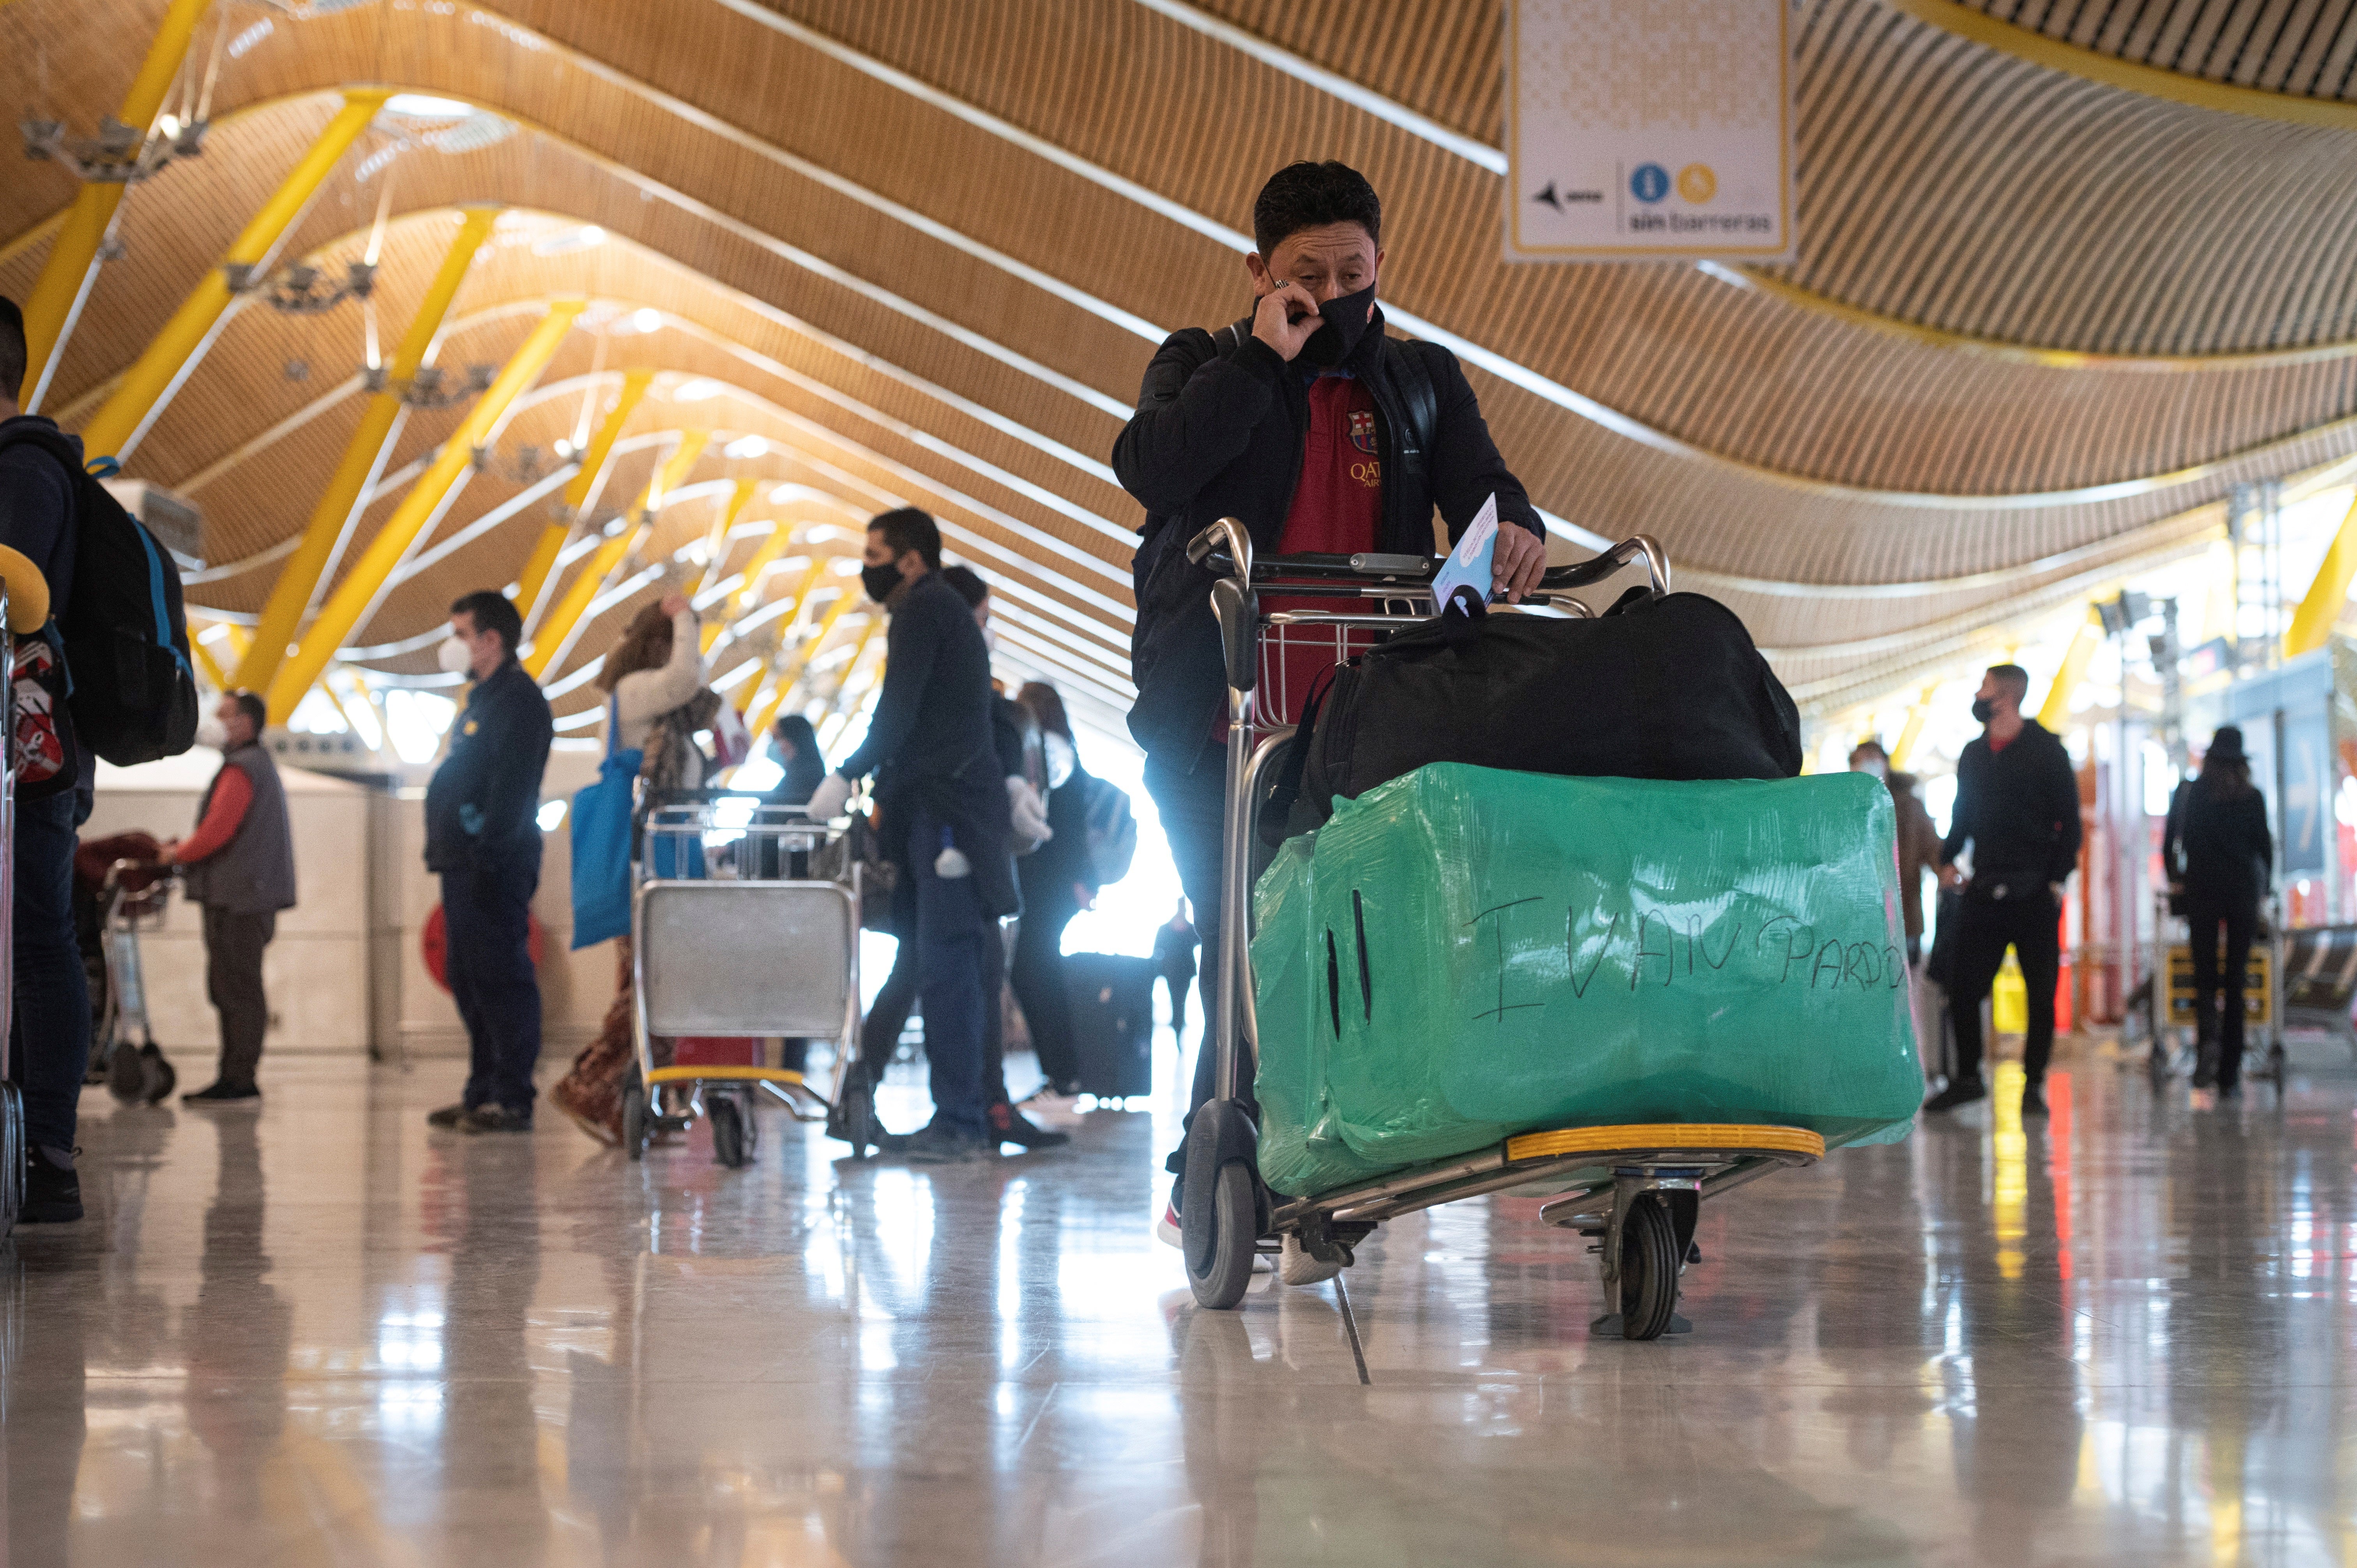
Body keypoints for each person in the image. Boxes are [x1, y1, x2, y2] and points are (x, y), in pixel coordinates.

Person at [1113, 160, 1548, 1242]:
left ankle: (1299, 1173)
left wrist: (1516, 527)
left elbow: (1484, 490)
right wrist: (1263, 358)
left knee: (1352, 945)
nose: (1334, 294)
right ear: (1259, 270)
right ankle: (1222, 1172)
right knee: (1250, 945)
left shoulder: (1421, 381)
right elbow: (1152, 467)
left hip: (1359, 726)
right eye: (1307, 274)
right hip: (1218, 723)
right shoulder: (1203, 361)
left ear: (1382, 263)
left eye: (1354, 272)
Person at [805, 510, 1018, 1162]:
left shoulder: (923, 610)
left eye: (875, 555)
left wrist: (846, 771)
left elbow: (896, 710)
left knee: (947, 965)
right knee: (943, 963)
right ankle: (958, 1114)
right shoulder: (941, 610)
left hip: (947, 812)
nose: (865, 567)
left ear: (911, 560)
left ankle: (958, 1121)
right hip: (950, 807)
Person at [549, 594, 705, 1145]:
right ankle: (588, 1084)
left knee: (657, 982)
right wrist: (684, 617)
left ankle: (623, 1101)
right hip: (642, 866)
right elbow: (685, 678)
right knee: (648, 983)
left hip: (663, 863)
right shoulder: (636, 691)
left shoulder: (663, 714)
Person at [0, 294, 92, 1222]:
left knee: (36, 937)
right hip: (28, 751)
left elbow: (16, 590)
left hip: (30, 754)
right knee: (31, 939)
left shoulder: (25, 468)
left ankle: (48, 1152)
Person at [1924, 664, 2082, 1118]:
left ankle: (2033, 1084)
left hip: (2034, 891)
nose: (1978, 695)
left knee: (2041, 993)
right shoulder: (1974, 754)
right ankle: (1968, 1078)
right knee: (1963, 987)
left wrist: (2056, 879)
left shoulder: (2047, 750)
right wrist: (1947, 859)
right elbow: (1962, 814)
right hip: (1985, 885)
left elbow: (2069, 821)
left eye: (1985, 688)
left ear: (2007, 696)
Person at [424, 590, 554, 1134]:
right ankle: (482, 1091)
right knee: (469, 976)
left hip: (494, 861)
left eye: (461, 634)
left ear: (491, 639)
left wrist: (490, 854)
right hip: (464, 860)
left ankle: (512, 1096)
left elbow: (513, 789)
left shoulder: (519, 703)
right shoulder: (483, 700)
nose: (453, 645)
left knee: (502, 977)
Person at [163, 690, 296, 1104]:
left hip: (238, 899)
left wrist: (176, 854)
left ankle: (238, 1079)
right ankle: (235, 1075)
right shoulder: (255, 765)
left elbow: (218, 829)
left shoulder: (242, 768)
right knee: (236, 987)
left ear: (246, 723)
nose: (215, 722)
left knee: (237, 988)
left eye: (223, 715)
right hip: (245, 895)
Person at [2164, 726, 2272, 1096]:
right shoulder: (2253, 797)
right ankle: (2230, 1071)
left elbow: (2171, 842)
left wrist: (2175, 879)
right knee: (2236, 979)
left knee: (2205, 976)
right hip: (2242, 892)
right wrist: (2265, 891)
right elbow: (2264, 848)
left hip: (2201, 890)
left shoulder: (2191, 793)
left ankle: (2207, 1042)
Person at [1008, 680, 1101, 1104]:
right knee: (1037, 968)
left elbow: (1064, 827)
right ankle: (1062, 1075)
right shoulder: (1064, 752)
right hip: (1058, 883)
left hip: (1050, 882)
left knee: (1033, 969)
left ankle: (1063, 1076)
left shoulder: (1046, 753)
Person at [1848, 740, 1941, 964]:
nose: (1867, 765)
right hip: (1857, 917)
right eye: (1860, 760)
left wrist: (1946, 872)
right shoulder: (1845, 807)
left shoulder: (1910, 805)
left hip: (1904, 914)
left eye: (1872, 759)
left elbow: (1932, 848)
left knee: (1904, 976)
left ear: (1886, 764)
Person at [1154, 899, 1199, 1048]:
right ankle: (1178, 1030)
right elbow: (1158, 950)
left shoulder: (1186, 929)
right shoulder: (1168, 929)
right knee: (1177, 1002)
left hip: (1181, 973)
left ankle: (1178, 1030)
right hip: (1174, 973)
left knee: (1179, 1002)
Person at [772, 713, 827, 806]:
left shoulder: (805, 778)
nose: (777, 745)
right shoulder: (802, 773)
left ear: (794, 739)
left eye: (778, 738)